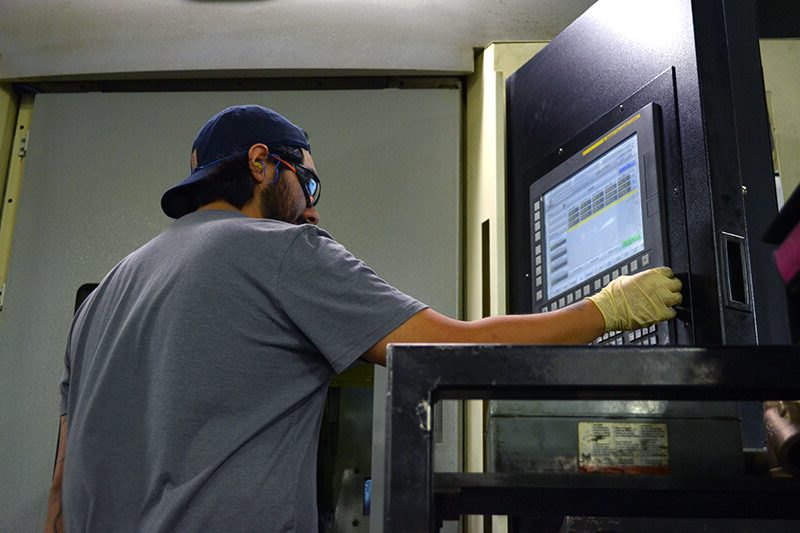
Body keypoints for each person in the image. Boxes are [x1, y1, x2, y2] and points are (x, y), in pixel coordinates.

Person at [47, 105, 682, 531]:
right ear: (264, 163)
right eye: (310, 186)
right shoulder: (279, 250)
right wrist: (607, 310)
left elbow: (59, 495)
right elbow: (449, 351)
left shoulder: (105, 294)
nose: (315, 212)